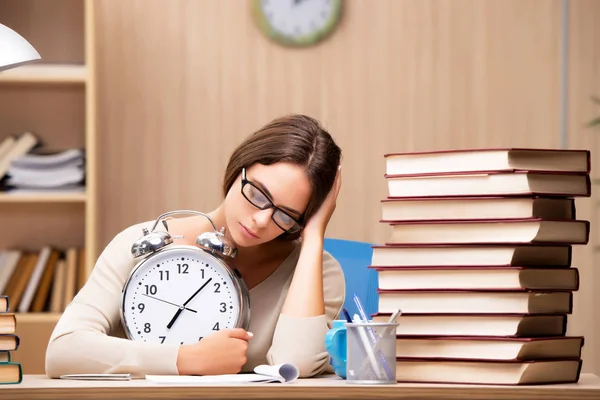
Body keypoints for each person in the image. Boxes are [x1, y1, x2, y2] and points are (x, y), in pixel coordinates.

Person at [45, 114, 345, 379]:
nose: (260, 220)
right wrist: (187, 359)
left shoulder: (318, 271)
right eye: (257, 193)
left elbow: (296, 364)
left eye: (286, 214)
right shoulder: (140, 241)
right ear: (239, 168)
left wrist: (315, 233)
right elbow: (62, 351)